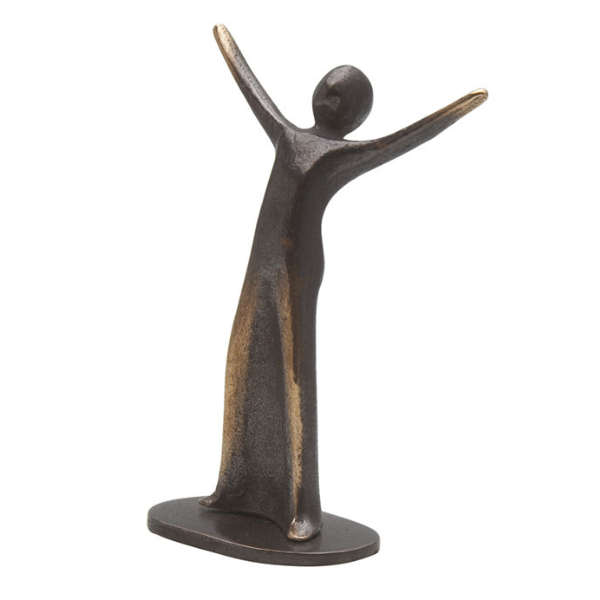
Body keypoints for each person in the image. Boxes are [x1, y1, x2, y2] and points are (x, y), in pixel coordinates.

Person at [201, 24, 488, 541]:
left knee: (293, 374)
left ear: (354, 114)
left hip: (296, 270)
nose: (328, 92)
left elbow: (402, 141)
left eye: (340, 92)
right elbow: (252, 88)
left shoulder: (339, 154)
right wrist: (227, 44)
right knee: (243, 359)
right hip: (261, 263)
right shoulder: (288, 134)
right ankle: (236, 486)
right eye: (327, 84)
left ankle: (302, 508)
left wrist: (457, 109)